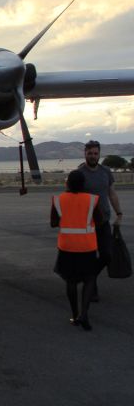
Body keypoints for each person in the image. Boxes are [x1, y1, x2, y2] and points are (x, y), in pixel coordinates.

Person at [51, 170, 103, 331]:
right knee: (89, 279)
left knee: (71, 281)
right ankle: (84, 313)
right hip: (87, 246)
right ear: (83, 184)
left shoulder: (58, 200)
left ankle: (74, 315)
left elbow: (53, 223)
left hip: (67, 247)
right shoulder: (93, 200)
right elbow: (100, 221)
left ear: (67, 183)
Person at [77, 140, 124, 300]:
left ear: (99, 154)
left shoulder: (105, 171)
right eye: (89, 153)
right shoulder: (79, 173)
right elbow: (72, 196)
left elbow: (111, 193)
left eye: (95, 153)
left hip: (103, 221)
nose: (92, 156)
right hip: (86, 224)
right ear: (85, 154)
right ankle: (92, 289)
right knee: (90, 258)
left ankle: (89, 278)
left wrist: (119, 213)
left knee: (107, 255)